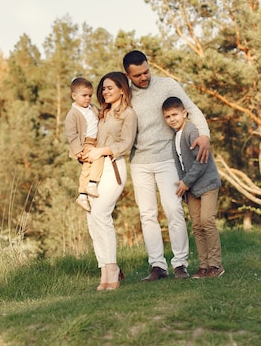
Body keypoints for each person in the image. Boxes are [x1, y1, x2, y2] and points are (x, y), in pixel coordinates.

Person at [122, 50, 210, 281]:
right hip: (139, 162)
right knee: (147, 214)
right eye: (138, 75)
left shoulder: (167, 85)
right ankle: (157, 266)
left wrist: (204, 135)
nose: (144, 77)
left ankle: (180, 264)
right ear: (128, 75)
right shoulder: (126, 94)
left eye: (146, 71)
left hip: (167, 158)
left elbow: (193, 109)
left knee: (173, 209)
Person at [84, 72, 137, 291]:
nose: (105, 92)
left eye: (110, 88)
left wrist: (101, 151)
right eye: (103, 88)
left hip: (113, 167)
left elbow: (126, 143)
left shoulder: (128, 114)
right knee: (91, 218)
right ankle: (104, 269)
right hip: (95, 167)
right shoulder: (102, 113)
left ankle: (113, 267)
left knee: (100, 214)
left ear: (122, 90)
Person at [163, 96, 224, 278]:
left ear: (184, 113)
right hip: (191, 189)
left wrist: (185, 182)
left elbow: (201, 161)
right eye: (168, 117)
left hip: (207, 183)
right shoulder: (175, 137)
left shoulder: (191, 131)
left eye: (175, 114)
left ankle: (216, 265)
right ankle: (204, 266)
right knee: (197, 225)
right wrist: (184, 187)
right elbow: (180, 165)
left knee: (207, 220)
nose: (172, 119)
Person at [65, 77, 105, 212]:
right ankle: (92, 184)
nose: (87, 98)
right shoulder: (73, 114)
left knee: (88, 166)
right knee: (98, 157)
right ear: (74, 96)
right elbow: (71, 134)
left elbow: (100, 114)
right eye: (84, 96)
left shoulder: (92, 108)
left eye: (89, 95)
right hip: (85, 143)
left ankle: (82, 195)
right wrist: (78, 150)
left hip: (96, 141)